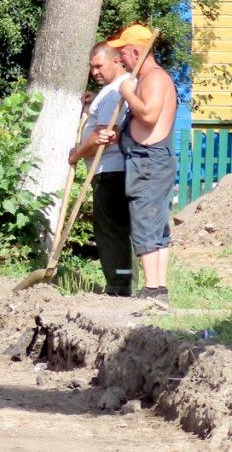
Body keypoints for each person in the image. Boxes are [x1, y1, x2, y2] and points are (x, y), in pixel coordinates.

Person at [99, 23, 177, 306]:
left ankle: (154, 289)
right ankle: (157, 288)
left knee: (146, 223)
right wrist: (118, 134)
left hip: (149, 162)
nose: (121, 60)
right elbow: (138, 121)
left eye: (123, 54)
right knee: (155, 224)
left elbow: (149, 114)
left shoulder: (154, 78)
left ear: (135, 51)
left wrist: (126, 91)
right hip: (144, 160)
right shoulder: (146, 79)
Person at [68, 42, 132, 296]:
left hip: (109, 170)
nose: (94, 71)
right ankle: (122, 282)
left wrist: (77, 154)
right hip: (110, 170)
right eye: (91, 67)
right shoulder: (111, 90)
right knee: (114, 229)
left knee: (110, 231)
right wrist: (94, 101)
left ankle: (119, 286)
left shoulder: (116, 91)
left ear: (117, 61)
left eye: (99, 65)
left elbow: (102, 135)